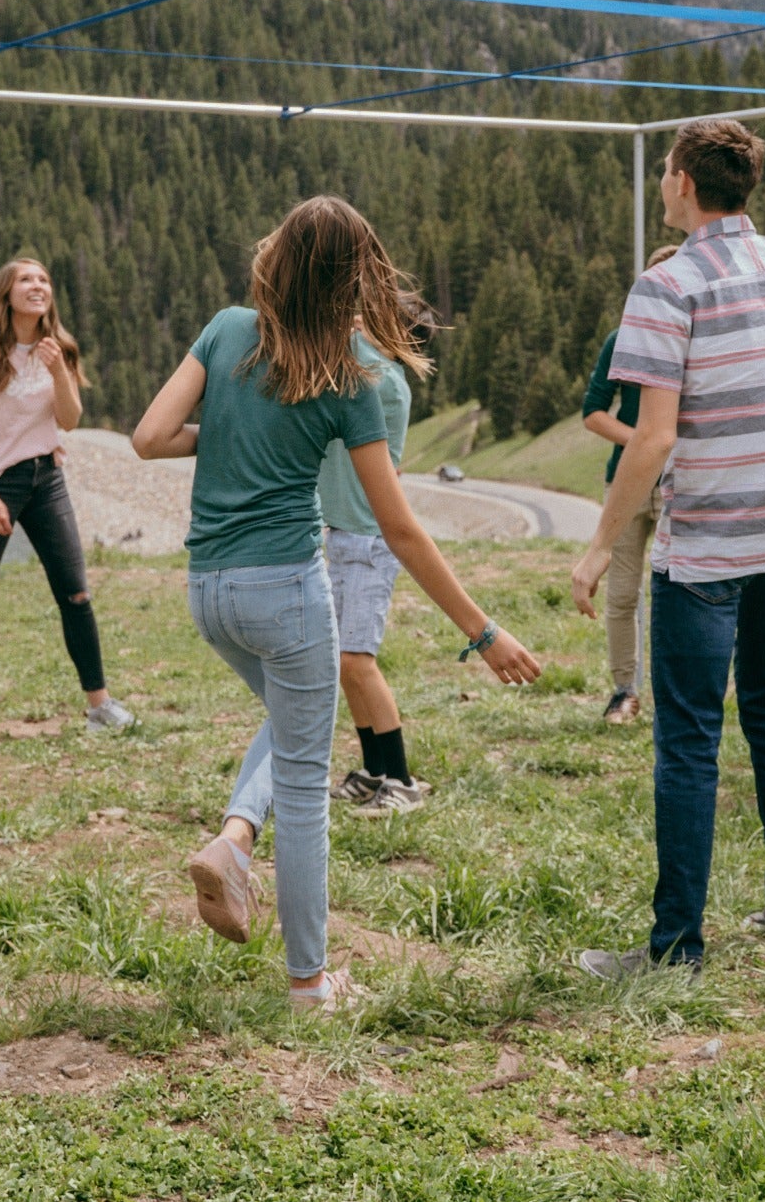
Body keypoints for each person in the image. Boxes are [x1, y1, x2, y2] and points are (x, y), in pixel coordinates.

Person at [134, 196, 540, 1013]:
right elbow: (399, 526)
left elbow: (148, 436)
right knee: (306, 775)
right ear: (359, 275)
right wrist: (482, 630)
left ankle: (233, 838)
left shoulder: (223, 328)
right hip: (285, 587)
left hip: (208, 589)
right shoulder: (353, 370)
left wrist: (234, 430)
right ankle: (308, 984)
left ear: (277, 253)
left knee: (292, 726)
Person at [568, 120, 765, 972]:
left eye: (665, 173)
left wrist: (597, 546)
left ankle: (676, 944)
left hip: (709, 540)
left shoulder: (667, 286)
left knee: (686, 736)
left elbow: (647, 442)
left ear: (681, 179)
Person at [0, 257, 128, 737]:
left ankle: (100, 707)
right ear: (6, 294)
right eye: (26, 279)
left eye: (43, 279)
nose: (37, 285)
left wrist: (59, 371)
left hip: (47, 480)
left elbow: (70, 420)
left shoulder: (58, 348)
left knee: (77, 593)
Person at [322, 302, 430, 815]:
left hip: (370, 542)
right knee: (346, 665)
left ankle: (402, 780)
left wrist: (348, 322)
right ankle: (375, 771)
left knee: (357, 661)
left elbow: (343, 354)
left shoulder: (383, 381)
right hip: (344, 534)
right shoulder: (370, 368)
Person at [579, 243, 680, 728]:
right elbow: (593, 412)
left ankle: (670, 696)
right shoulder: (621, 339)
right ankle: (625, 691)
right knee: (621, 594)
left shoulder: (694, 342)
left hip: (679, 484)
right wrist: (641, 443)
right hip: (625, 482)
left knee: (671, 595)